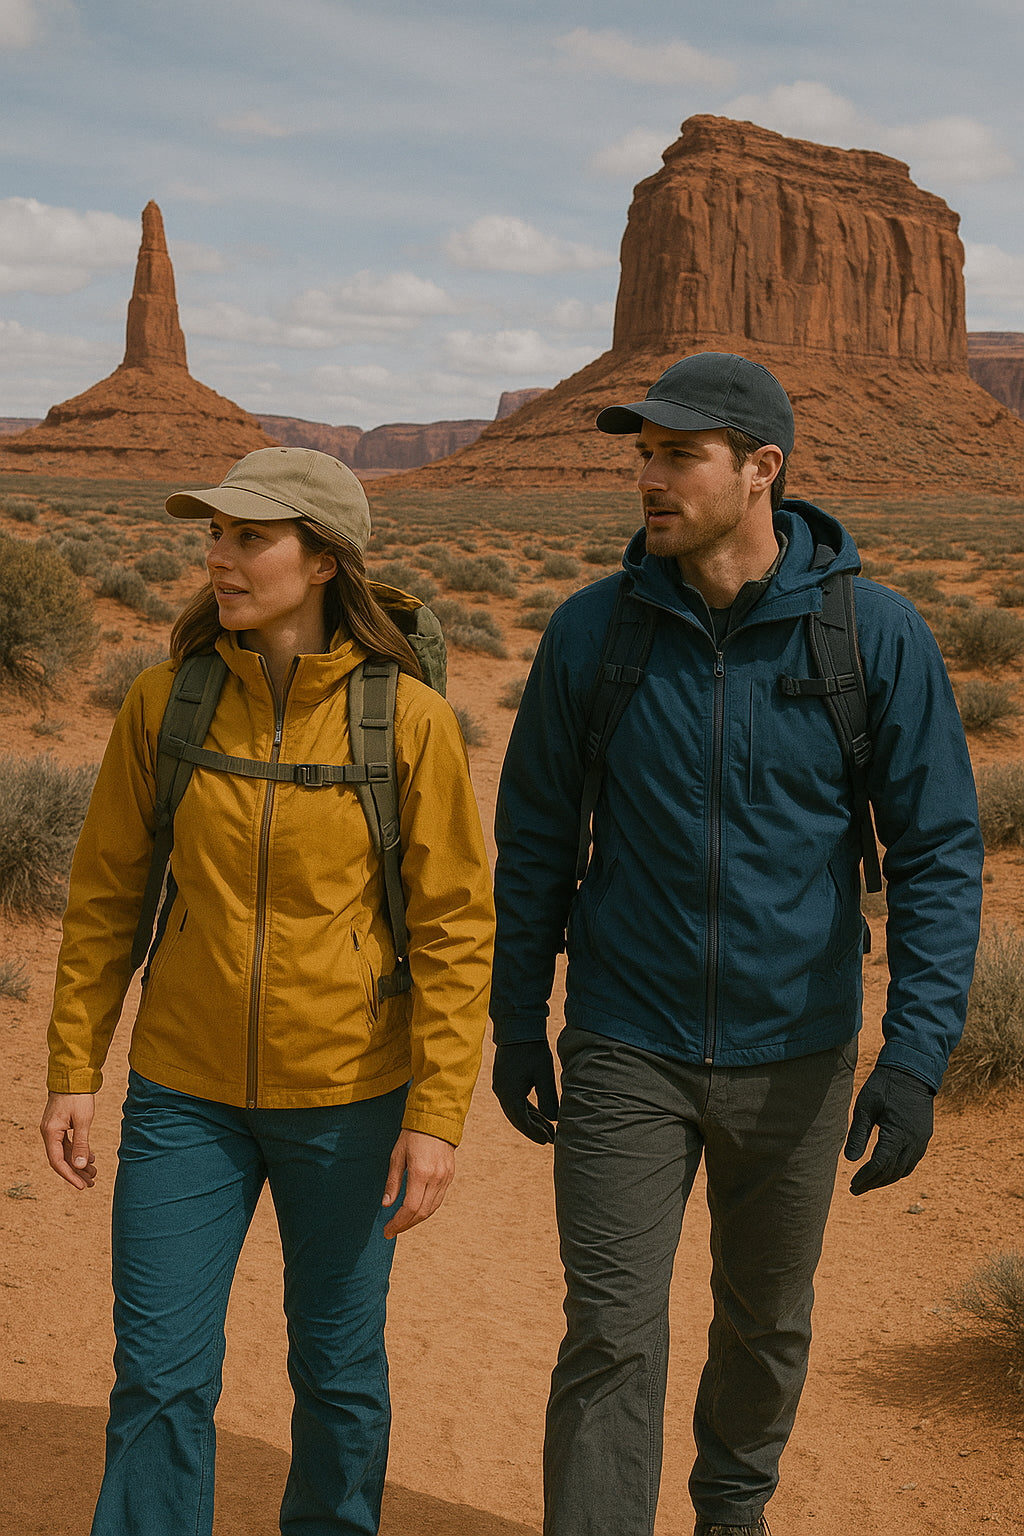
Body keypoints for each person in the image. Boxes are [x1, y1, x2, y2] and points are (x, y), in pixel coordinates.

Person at [489, 353, 983, 1536]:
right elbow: (534, 840)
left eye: (677, 455)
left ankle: (732, 1515)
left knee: (765, 1325)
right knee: (610, 1330)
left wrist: (913, 1059)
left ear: (760, 469)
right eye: (642, 455)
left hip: (796, 1050)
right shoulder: (593, 633)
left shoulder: (873, 636)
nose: (648, 478)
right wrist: (516, 1020)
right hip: (626, 1042)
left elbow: (937, 854)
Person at [41, 446, 495, 1536]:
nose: (220, 559)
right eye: (214, 535)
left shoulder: (409, 722)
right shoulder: (168, 704)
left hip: (348, 1094)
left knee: (337, 1375)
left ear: (324, 560)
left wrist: (434, 1119)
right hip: (182, 1095)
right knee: (158, 1375)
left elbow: (454, 931)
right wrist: (74, 1068)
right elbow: (107, 895)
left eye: (251, 536)